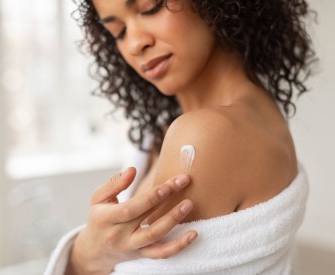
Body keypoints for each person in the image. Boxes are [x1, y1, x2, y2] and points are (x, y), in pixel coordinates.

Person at [45, 0, 316, 274]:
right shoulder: (166, 134)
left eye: (150, 8)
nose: (135, 43)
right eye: (118, 31)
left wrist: (86, 254)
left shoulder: (207, 135)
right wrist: (88, 251)